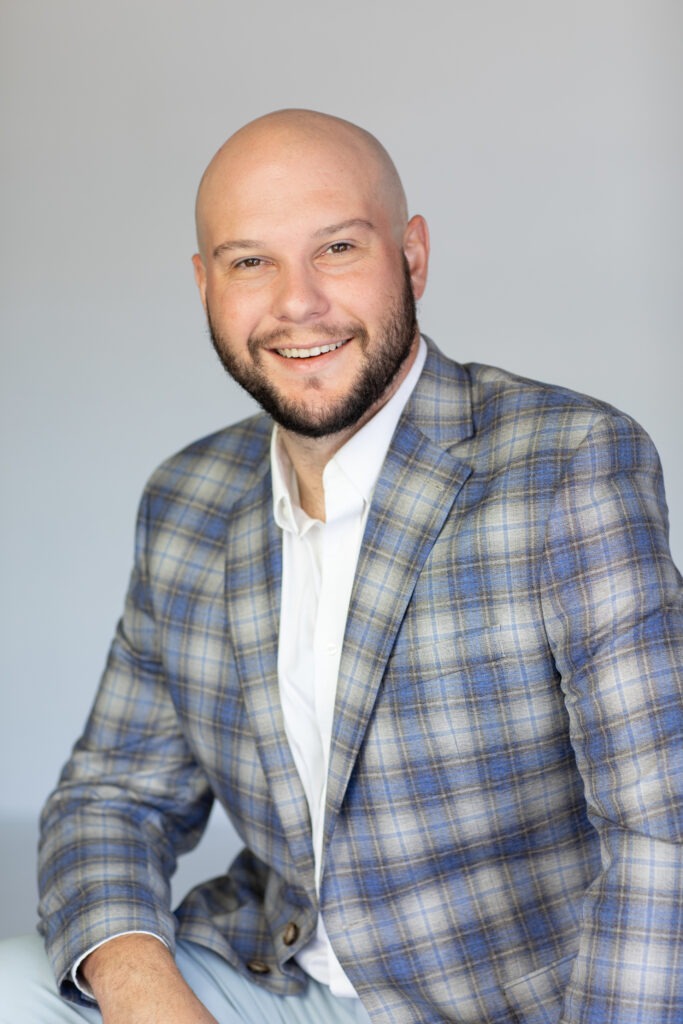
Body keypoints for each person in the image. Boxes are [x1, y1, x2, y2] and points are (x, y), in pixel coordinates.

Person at [1, 108, 682, 1024]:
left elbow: (660, 830)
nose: (296, 303)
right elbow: (113, 795)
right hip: (285, 987)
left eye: (336, 249)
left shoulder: (567, 464)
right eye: (250, 262)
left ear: (412, 257)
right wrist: (144, 995)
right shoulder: (187, 499)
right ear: (205, 285)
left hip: (517, 1001)